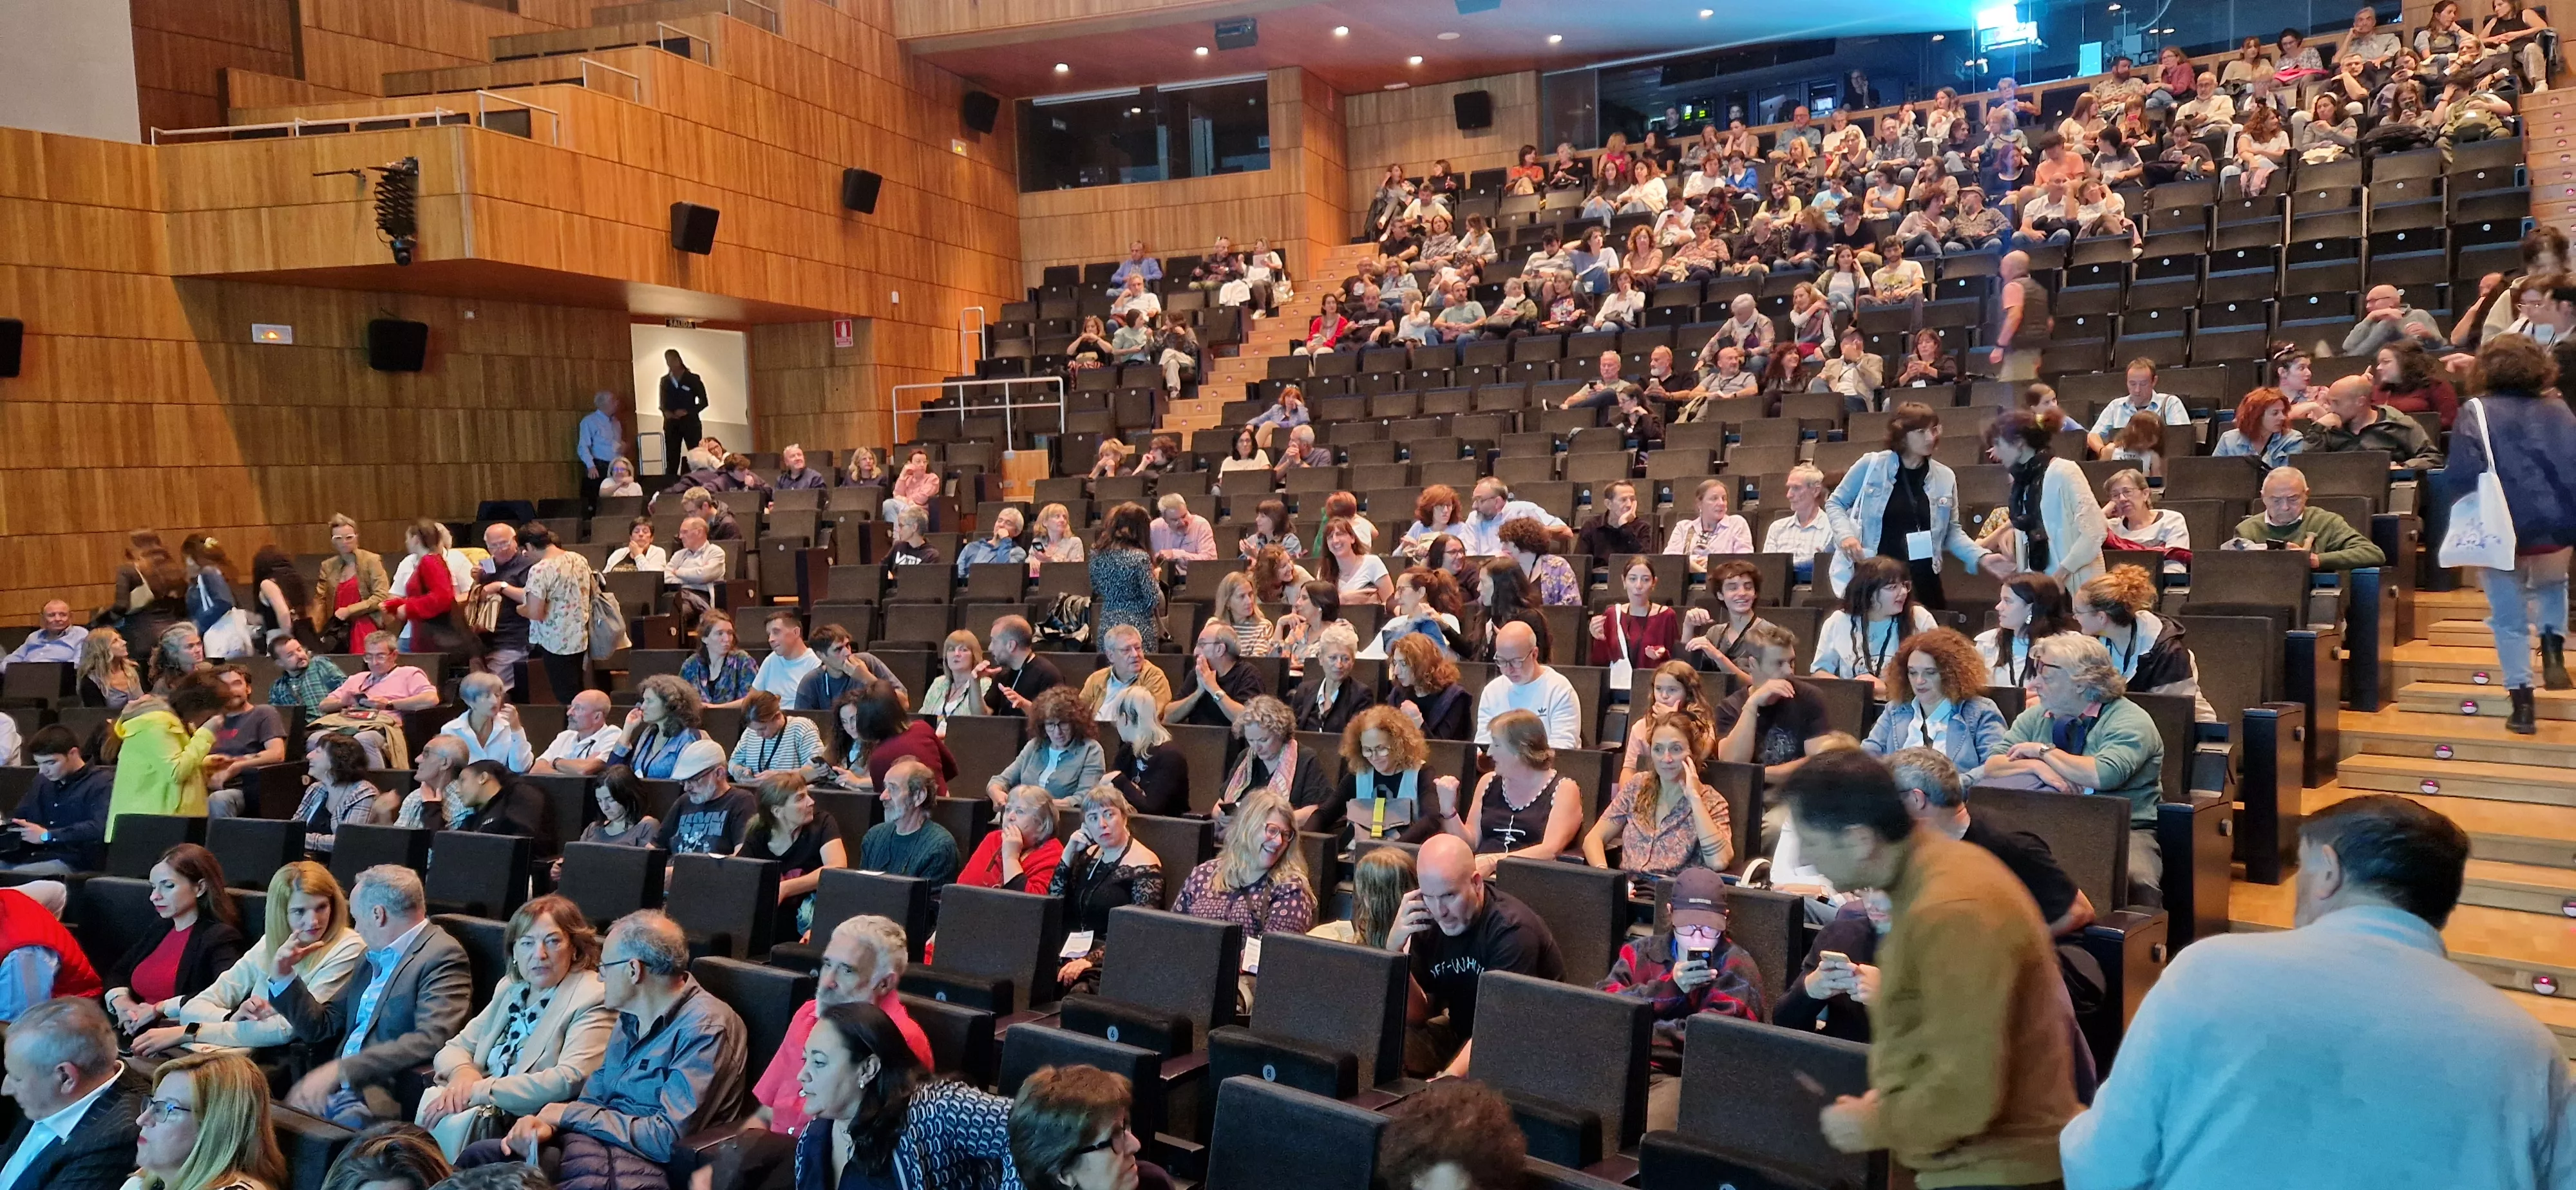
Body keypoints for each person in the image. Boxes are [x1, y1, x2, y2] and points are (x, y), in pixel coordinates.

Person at [2079, 794, 2574, 1186]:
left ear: (2330, 872)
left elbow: (2106, 1163)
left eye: (2304, 866)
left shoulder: (2207, 971)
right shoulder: (2529, 1047)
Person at [1786, 751, 2079, 1187]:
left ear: (1859, 840)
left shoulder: (1950, 908)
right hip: (1963, 1163)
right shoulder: (1924, 879)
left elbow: (1967, 1090)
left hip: (2000, 1172)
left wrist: (1870, 1123)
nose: (1806, 858)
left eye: (1811, 841)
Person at [460, 911, 747, 1190]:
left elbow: (666, 1138)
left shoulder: (705, 1027)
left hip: (643, 1166)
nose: (600, 978)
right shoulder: (630, 1015)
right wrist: (549, 1125)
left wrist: (567, 1116)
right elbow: (595, 1096)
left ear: (634, 970)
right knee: (479, 1158)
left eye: (605, 967)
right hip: (592, 1148)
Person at [2438, 335, 2576, 734]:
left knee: (2508, 618)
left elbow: (2462, 472)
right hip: (2556, 518)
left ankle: (2523, 705)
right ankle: (2553, 648)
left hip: (2501, 520)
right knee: (2553, 585)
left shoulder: (2476, 410)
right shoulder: (2559, 408)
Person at [414, 896, 614, 1160]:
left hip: (527, 1126)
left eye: (553, 941)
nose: (539, 954)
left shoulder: (594, 995)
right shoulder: (512, 987)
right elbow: (454, 1048)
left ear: (574, 948)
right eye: (527, 943)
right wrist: (463, 1074)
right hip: (477, 1113)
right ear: (515, 952)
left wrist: (479, 1091)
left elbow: (569, 1078)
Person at [272, 865, 473, 1127]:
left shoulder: (442, 956)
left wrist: (345, 1069)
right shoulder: (369, 957)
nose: (356, 928)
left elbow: (432, 1038)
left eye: (357, 918)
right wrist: (284, 976)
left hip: (382, 1095)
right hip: (336, 1090)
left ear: (378, 915)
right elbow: (323, 1026)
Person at [1985, 634, 2169, 907]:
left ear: (2082, 683)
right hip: (2044, 822)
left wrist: (2043, 752)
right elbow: (1993, 765)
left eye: (2047, 677)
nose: (2034, 684)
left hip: (2123, 830)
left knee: (2136, 880)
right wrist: (2037, 767)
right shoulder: (2038, 714)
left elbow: (2102, 775)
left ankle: (2144, 932)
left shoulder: (2130, 721)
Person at [137, 860, 363, 1061]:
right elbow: (195, 1005)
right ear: (281, 913)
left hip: (280, 1062)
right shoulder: (270, 942)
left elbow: (286, 1030)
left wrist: (190, 1032)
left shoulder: (350, 946)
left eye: (321, 907)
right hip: (239, 1052)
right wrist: (232, 1017)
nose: (313, 921)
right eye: (299, 911)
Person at [742, 914, 934, 1145]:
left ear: (884, 983)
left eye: (847, 970)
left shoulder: (899, 1040)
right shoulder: (808, 1014)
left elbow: (876, 1145)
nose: (827, 982)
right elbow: (768, 1110)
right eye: (827, 964)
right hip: (772, 1149)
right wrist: (738, 1152)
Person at [1598, 865, 1765, 1132]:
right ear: (1670, 913)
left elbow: (1706, 1042)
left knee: (1645, 1134)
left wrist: (1633, 1033)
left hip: (1687, 1080)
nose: (1697, 938)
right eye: (1687, 927)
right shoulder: (1639, 952)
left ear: (1725, 919)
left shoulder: (1737, 966)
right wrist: (1669, 988)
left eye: (1709, 928)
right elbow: (1602, 1009)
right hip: (1622, 1065)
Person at [788, 1001, 1016, 1190]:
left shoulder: (935, 1109)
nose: (802, 1075)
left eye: (819, 1062)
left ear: (868, 1069)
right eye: (805, 1059)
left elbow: (1028, 1129)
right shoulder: (814, 1137)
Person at [1391, 834, 1566, 1077]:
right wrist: (1395, 956)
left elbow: (1498, 1028)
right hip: (1462, 1034)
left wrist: (1446, 1082)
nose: (1440, 911)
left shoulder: (1512, 931)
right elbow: (1418, 1016)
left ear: (1476, 883)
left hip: (1524, 1048)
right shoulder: (1427, 918)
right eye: (1429, 896)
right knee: (1389, 1040)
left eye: (1449, 895)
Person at [1826, 402, 1986, 603]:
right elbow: (1835, 503)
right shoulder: (1872, 465)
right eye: (1921, 432)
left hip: (1924, 580)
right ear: (1901, 434)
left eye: (1934, 430)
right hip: (1879, 580)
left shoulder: (1945, 476)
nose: (1931, 438)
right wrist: (1846, 536)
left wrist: (1981, 556)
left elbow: (1951, 531)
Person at [1171, 787, 1316, 999]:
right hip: (1186, 976)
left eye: (1286, 835)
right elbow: (1173, 932)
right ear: (1248, 827)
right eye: (1272, 830)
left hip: (1243, 992)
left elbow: (1275, 964)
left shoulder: (1290, 890)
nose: (1279, 842)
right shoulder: (1205, 874)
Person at [0, 995, 150, 1190]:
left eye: (17, 1078)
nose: (5, 1089)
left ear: (65, 1078)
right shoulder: (55, 1091)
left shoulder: (114, 1139)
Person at [100, 845, 246, 1036]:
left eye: (168, 886)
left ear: (200, 888)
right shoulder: (161, 927)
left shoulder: (219, 936)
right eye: (154, 887)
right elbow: (117, 973)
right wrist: (123, 1004)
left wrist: (158, 1009)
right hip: (133, 1033)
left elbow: (223, 995)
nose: (154, 896)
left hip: (177, 1037)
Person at [1433, 710, 1582, 874]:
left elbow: (1550, 850)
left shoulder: (1564, 789)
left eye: (1497, 745)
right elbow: (1471, 844)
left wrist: (1494, 862)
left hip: (1528, 878)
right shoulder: (1488, 782)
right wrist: (1448, 810)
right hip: (1482, 876)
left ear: (1521, 749)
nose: (1490, 752)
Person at [1585, 711, 1731, 877]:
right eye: (1658, 749)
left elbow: (1719, 862)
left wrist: (1695, 800)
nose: (1666, 758)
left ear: (1693, 753)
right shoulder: (1637, 786)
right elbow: (1593, 839)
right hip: (1629, 886)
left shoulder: (1712, 801)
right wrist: (1606, 878)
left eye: (1676, 749)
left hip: (1673, 889)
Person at [1050, 786, 1164, 996]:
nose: (1101, 824)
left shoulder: (1144, 863)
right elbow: (1055, 902)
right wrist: (1068, 854)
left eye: (1109, 815)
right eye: (1093, 818)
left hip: (1114, 954)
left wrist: (1088, 961)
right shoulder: (1088, 854)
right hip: (1072, 945)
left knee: (1080, 991)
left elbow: (1139, 931)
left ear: (1124, 817)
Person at [1978, 408, 2109, 589]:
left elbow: (2096, 531)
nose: (1995, 453)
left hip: (2077, 586)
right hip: (2043, 587)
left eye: (1998, 444)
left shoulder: (2064, 471)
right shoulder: (2021, 482)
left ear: (2019, 443)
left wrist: (2061, 574)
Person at [1861, 627, 2010, 782]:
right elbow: (1867, 757)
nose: (1919, 681)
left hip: (1956, 796)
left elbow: (1995, 766)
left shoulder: (1980, 712)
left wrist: (1953, 786)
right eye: (1913, 672)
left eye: (1930, 672)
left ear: (1952, 674)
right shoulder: (1895, 709)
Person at [128, 1049, 289, 1190]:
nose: (141, 1120)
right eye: (152, 1104)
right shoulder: (149, 1179)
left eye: (165, 1109)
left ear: (215, 1127)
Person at [2076, 565, 2217, 721]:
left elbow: (2172, 716)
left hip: (2184, 727)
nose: (2075, 617)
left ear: (2101, 617)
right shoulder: (2097, 642)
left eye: (2078, 612)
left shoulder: (2168, 653)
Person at [1715, 621, 1834, 782]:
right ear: (1752, 664)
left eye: (1791, 662)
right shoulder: (1730, 707)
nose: (1789, 671)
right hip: (1747, 796)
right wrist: (1751, 706)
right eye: (1779, 664)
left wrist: (1759, 775)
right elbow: (1733, 765)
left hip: (1793, 792)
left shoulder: (1809, 697)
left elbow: (1816, 762)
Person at [109, 671, 225, 830]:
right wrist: (205, 734)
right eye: (212, 714)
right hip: (149, 825)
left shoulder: (177, 721)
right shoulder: (156, 723)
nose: (216, 719)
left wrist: (205, 763)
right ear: (197, 707)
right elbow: (175, 772)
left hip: (176, 821)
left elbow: (170, 763)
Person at [1812, 557, 1940, 689]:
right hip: (1852, 699)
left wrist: (1887, 690)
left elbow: (1939, 670)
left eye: (1904, 585)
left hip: (1902, 700)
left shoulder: (1918, 617)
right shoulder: (1839, 621)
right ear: (1869, 593)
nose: (1903, 592)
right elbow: (1820, 672)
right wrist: (1856, 690)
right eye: (1892, 587)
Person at [2230, 466, 2389, 570]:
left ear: (2306, 495)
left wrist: (2316, 560)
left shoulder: (2326, 522)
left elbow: (2372, 553)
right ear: (2263, 497)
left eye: (2293, 499)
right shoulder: (2247, 529)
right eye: (2276, 500)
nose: (2285, 507)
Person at [1, 726, 112, 874]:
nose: (43, 771)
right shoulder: (42, 782)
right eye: (39, 764)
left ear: (73, 753)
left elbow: (98, 828)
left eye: (50, 763)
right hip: (32, 856)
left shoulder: (102, 783)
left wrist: (47, 836)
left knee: (17, 875)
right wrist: (7, 825)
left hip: (75, 862)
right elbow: (21, 816)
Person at [990, 686, 1107, 806]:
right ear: (1042, 725)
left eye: (1063, 723)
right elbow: (1000, 780)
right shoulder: (1035, 745)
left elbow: (1085, 798)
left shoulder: (1091, 750)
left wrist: (1039, 806)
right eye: (1051, 724)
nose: (1057, 732)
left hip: (1061, 816)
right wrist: (996, 791)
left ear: (1076, 723)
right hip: (1022, 812)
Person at [1473, 623, 1580, 749]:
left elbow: (1563, 748)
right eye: (1502, 661)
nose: (1508, 670)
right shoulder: (1492, 691)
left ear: (1534, 654)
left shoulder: (1560, 690)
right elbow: (1483, 744)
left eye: (1516, 662)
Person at [846, 680, 956, 795]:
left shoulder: (878, 758)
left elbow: (884, 799)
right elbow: (949, 771)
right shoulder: (923, 728)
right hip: (944, 802)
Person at [860, 760, 961, 882]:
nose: (883, 797)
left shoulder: (939, 848)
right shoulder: (874, 837)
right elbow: (861, 888)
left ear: (919, 796)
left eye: (893, 789)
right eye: (885, 788)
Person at [656, 739, 757, 857]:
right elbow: (655, 847)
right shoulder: (684, 802)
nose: (686, 788)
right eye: (683, 782)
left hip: (710, 869)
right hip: (673, 868)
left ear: (719, 773)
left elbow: (741, 858)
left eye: (694, 780)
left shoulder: (741, 802)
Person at [1978, 573, 2078, 692]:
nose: (1998, 607)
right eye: (2001, 600)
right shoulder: (1987, 643)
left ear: (2031, 608)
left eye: (2008, 601)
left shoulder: (2069, 645)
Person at [961, 784, 1064, 893]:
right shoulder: (994, 838)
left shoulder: (1053, 852)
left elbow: (1031, 901)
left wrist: (1010, 858)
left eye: (1020, 812)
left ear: (1041, 823)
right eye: (1008, 809)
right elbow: (963, 889)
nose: (1010, 817)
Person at [605, 674, 708, 780]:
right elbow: (613, 774)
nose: (642, 707)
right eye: (644, 700)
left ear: (670, 704)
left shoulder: (689, 738)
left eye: (649, 701)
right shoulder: (648, 735)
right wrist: (627, 730)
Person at [1087, 503, 1162, 647]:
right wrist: (1155, 579)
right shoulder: (1140, 557)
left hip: (1109, 624)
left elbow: (1096, 587)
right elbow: (1153, 599)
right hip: (1138, 627)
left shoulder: (1096, 554)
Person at [1164, 621, 1264, 729]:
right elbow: (1168, 717)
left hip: (1231, 739)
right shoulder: (1199, 671)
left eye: (1202, 645)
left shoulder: (1248, 674)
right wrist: (1198, 693)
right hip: (1196, 737)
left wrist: (1213, 688)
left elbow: (1248, 720)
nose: (1195, 652)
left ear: (1220, 649)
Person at [314, 515, 391, 652]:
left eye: (349, 537)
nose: (344, 542)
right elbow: (320, 600)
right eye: (338, 538)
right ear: (332, 541)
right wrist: (314, 629)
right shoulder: (328, 566)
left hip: (364, 624)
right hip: (337, 628)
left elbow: (381, 596)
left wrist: (350, 610)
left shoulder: (371, 561)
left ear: (357, 537)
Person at [1385, 632, 1472, 742]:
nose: (1396, 671)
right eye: (1395, 663)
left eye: (1403, 664)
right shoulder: (1398, 693)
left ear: (1422, 665)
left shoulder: (1454, 698)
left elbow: (1445, 749)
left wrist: (1417, 721)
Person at [1289, 623, 1375, 734]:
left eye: (1345, 659)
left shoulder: (1361, 696)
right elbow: (1290, 731)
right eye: (1333, 658)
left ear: (1353, 661)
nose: (1339, 665)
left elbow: (1354, 738)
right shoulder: (1304, 690)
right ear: (1321, 659)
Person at [1077, 625, 1171, 722]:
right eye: (1126, 650)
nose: (1135, 655)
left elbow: (1151, 718)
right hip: (1095, 729)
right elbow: (1078, 714)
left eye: (1138, 648)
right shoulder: (1096, 678)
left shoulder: (1154, 677)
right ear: (1111, 656)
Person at [441, 672, 534, 772]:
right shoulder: (451, 731)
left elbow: (520, 767)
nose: (495, 701)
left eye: (497, 695)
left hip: (501, 781)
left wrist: (517, 729)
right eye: (486, 696)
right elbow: (447, 771)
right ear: (470, 701)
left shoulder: (508, 725)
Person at [1455, 478, 1564, 557]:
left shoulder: (1523, 510)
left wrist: (1530, 531)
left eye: (1479, 501)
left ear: (1497, 502)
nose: (1474, 506)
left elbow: (1566, 532)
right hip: (1484, 573)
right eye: (1474, 500)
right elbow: (1470, 556)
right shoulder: (1474, 518)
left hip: (1520, 572)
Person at [728, 691, 823, 781]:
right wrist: (740, 771)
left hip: (789, 791)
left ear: (777, 716)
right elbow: (733, 762)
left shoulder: (801, 728)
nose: (758, 735)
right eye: (755, 730)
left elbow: (818, 769)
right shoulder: (750, 732)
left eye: (763, 729)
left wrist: (779, 776)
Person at [1663, 479, 1754, 572]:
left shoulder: (1737, 524)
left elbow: (1745, 563)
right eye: (1714, 499)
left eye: (1724, 499)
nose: (1721, 503)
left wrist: (1712, 563)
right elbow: (1668, 561)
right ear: (1700, 504)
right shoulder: (1683, 528)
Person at [1989, 249, 2052, 381]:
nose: (2000, 270)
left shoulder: (2013, 286)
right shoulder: (2039, 289)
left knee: (2012, 388)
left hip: (2019, 351)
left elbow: (2014, 317)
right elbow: (2049, 322)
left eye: (2003, 266)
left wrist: (2000, 346)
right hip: (2036, 350)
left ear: (2011, 268)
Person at [980, 615, 1063, 715]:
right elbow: (983, 715)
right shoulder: (1003, 674)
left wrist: (1025, 705)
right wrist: (974, 682)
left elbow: (1054, 718)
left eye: (994, 642)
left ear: (1011, 645)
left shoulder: (1048, 675)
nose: (990, 648)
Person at [2344, 284, 2451, 359]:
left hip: (2409, 359)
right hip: (2375, 363)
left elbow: (2439, 345)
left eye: (2373, 301)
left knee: (2388, 325)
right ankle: (2355, 359)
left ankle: (2354, 360)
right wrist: (2370, 318)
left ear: (2390, 301)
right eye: (2367, 302)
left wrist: (2427, 335)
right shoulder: (2370, 322)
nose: (2368, 306)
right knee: (2386, 325)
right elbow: (2348, 346)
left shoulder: (2417, 314)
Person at [534, 690, 623, 777]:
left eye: (578, 708)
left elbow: (585, 770)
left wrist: (555, 762)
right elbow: (536, 770)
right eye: (571, 707)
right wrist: (571, 772)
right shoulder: (565, 736)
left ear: (597, 717)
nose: (569, 713)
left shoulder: (612, 734)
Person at [571, 768, 659, 851]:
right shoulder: (592, 829)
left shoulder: (646, 827)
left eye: (611, 800)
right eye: (599, 801)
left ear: (629, 797)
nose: (605, 807)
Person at [0, 599, 86, 672]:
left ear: (71, 617)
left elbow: (79, 663)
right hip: (25, 676)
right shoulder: (34, 637)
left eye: (63, 615)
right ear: (43, 618)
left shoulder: (80, 634)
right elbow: (11, 660)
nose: (58, 619)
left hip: (58, 678)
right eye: (51, 615)